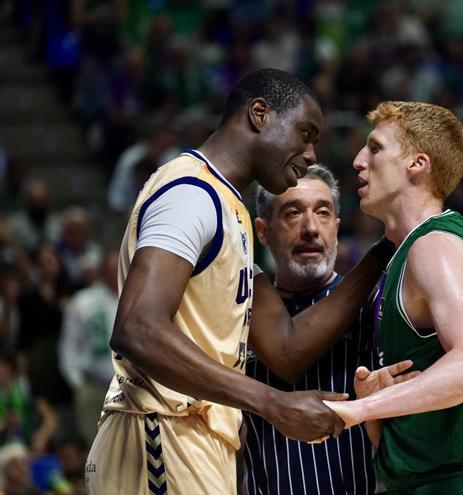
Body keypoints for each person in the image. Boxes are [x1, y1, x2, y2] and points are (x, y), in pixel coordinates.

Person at [85, 69, 392, 494]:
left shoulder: (229, 207)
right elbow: (137, 326)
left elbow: (285, 350)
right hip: (162, 430)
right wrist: (274, 404)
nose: (310, 153)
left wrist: (387, 246)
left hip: (195, 439)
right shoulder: (191, 192)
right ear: (260, 114)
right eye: (304, 134)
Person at [324, 101, 463, 494]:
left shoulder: (434, 246)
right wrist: (377, 404)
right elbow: (409, 440)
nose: (359, 161)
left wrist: (359, 410)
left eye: (376, 148)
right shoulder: (406, 254)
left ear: (418, 164)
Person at [243, 166, 391, 495]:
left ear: (336, 228)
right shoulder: (239, 311)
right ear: (263, 232)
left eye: (323, 213)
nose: (311, 228)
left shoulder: (378, 302)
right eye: (293, 213)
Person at [58, 250, 119, 443]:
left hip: (129, 387)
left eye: (118, 267)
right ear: (101, 272)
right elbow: (69, 346)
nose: (115, 273)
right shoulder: (83, 302)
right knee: (93, 447)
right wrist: (77, 383)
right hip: (93, 386)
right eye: (110, 269)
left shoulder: (136, 298)